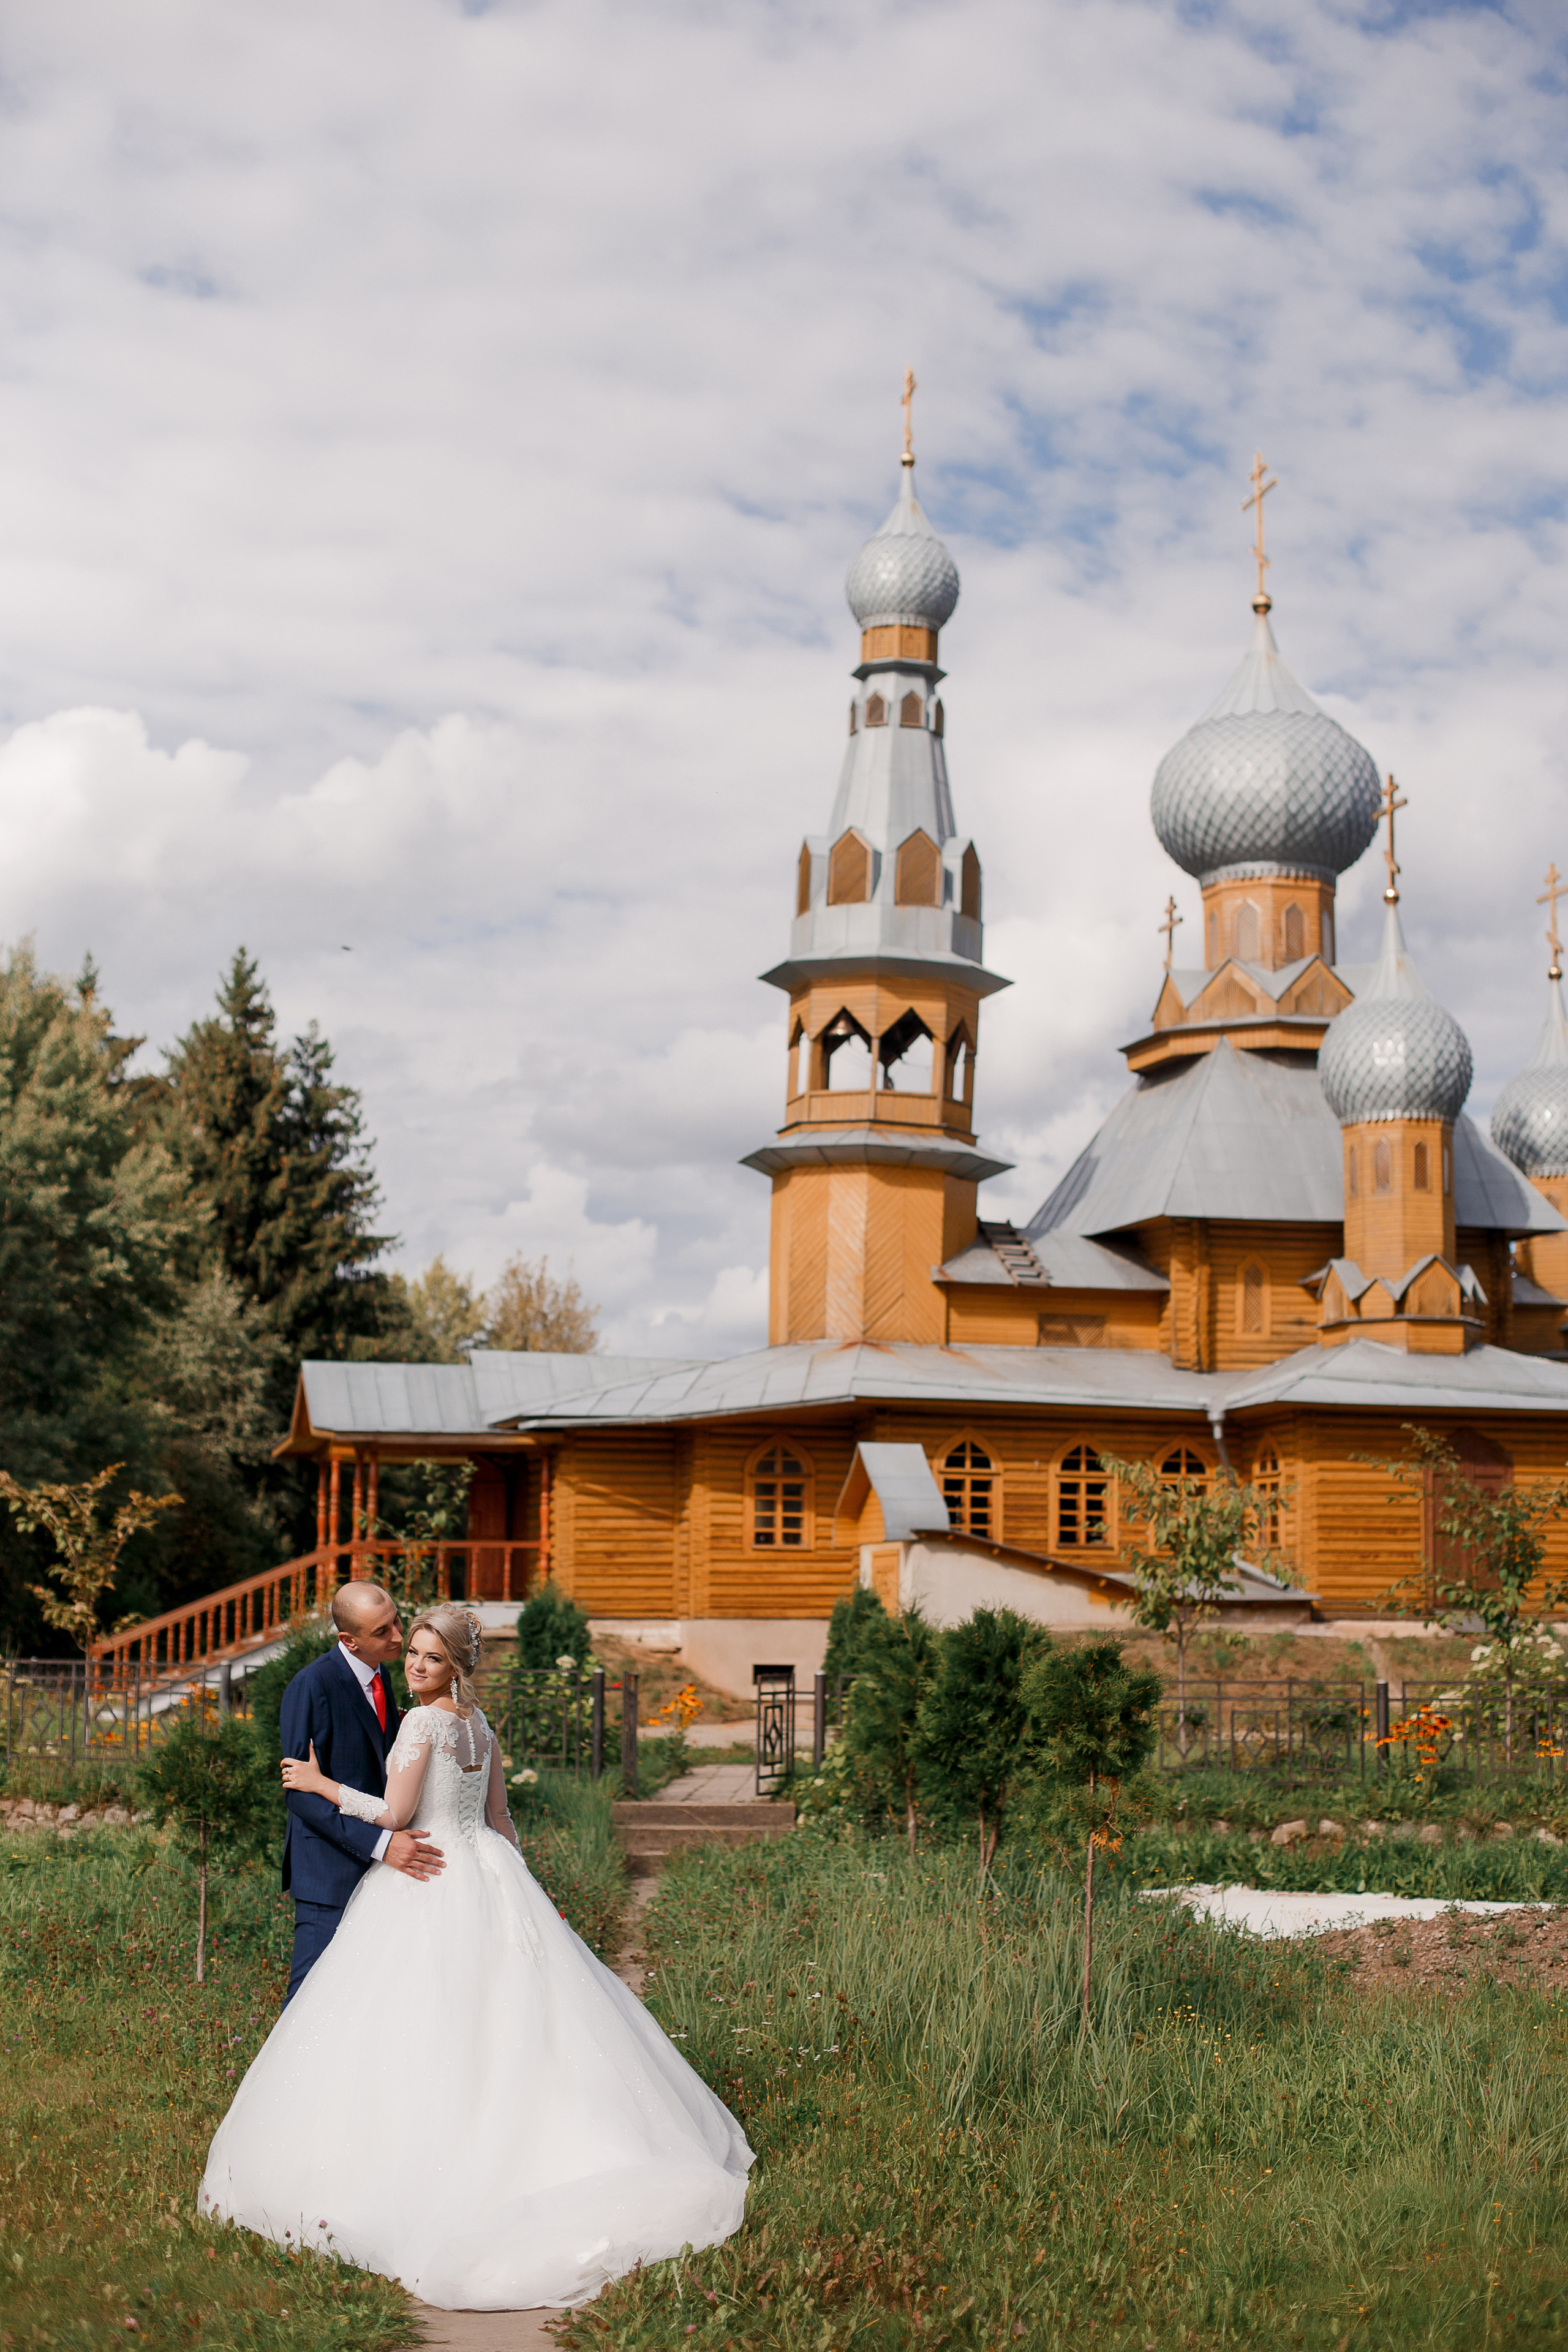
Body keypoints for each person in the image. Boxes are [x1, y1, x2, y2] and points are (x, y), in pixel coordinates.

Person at [202, 1604, 753, 2309]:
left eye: (430, 1658)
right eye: (412, 1654)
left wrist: (320, 1785)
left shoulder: (421, 1722)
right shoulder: (481, 1726)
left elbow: (398, 1817)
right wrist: (519, 1886)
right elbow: (498, 1819)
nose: (415, 1665)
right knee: (513, 2011)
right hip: (487, 1870)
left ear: (455, 1667)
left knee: (422, 2015)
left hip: (431, 1873)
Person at [277, 1581, 445, 2002]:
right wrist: (381, 1844)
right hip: (328, 1871)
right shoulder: (311, 1686)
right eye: (382, 1631)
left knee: (362, 2002)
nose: (396, 1636)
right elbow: (300, 1793)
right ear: (348, 1640)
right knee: (310, 2000)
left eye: (395, 1621)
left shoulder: (383, 1676)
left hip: (383, 1875)